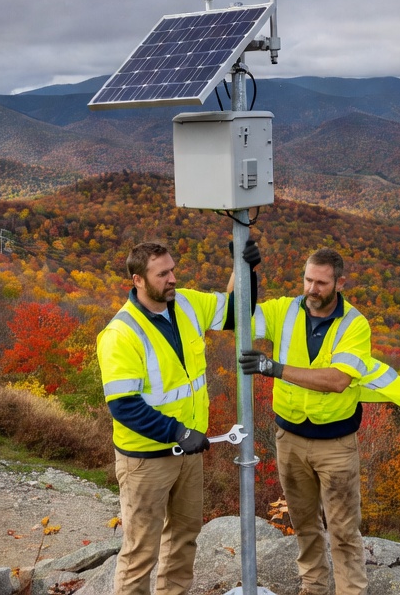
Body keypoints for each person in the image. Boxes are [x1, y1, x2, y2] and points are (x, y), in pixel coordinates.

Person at [239, 247, 400, 595]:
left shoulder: (354, 324)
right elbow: (236, 316)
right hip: (289, 439)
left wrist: (274, 369)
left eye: (322, 283)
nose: (312, 289)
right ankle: (314, 588)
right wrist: (244, 269)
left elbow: (337, 380)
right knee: (303, 524)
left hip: (335, 447)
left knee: (343, 530)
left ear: (339, 283)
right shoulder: (286, 309)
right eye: (308, 280)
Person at [97, 240, 257, 595]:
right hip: (145, 461)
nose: (172, 278)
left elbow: (235, 313)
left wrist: (243, 269)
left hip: (188, 453)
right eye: (163, 273)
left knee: (184, 537)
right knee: (141, 551)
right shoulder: (120, 333)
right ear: (138, 280)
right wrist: (178, 431)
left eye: (172, 270)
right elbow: (123, 406)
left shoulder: (184, 303)